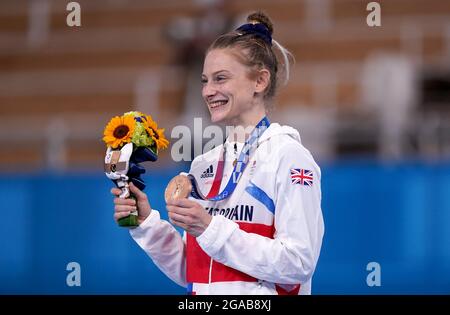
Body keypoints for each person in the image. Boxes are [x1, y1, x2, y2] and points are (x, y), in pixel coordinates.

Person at [112, 12, 324, 295]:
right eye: (204, 81)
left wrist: (211, 227)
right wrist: (147, 223)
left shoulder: (288, 157)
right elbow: (197, 271)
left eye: (220, 79)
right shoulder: (203, 166)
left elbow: (297, 263)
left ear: (260, 81)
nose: (208, 91)